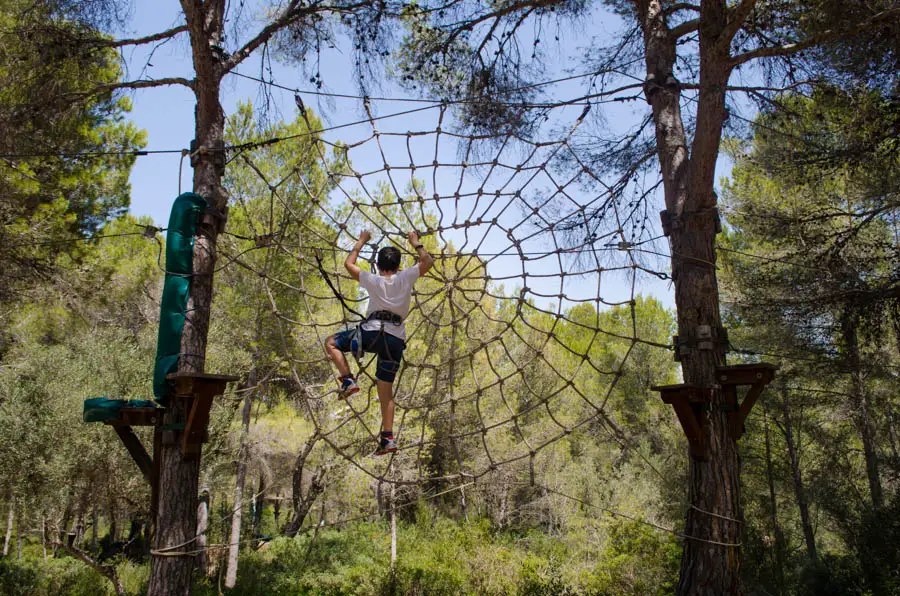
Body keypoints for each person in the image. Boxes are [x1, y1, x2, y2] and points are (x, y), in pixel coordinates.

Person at [324, 230, 434, 455]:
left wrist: (361, 242)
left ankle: (348, 380)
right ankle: (387, 438)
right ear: (398, 265)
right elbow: (428, 261)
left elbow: (348, 264)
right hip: (394, 341)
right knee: (386, 393)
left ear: (378, 264)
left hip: (371, 334)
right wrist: (415, 243)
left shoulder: (372, 279)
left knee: (332, 342)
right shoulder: (407, 276)